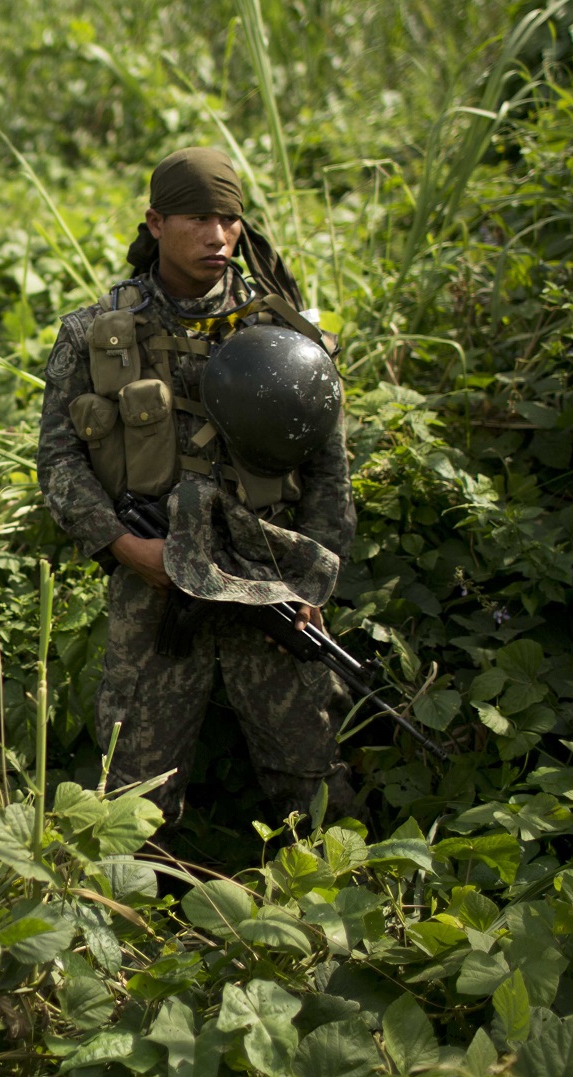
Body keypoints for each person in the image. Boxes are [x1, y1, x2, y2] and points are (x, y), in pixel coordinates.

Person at [36, 146, 359, 823]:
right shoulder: (95, 334)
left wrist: (312, 580)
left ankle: (337, 909)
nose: (218, 236)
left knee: (313, 777)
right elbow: (59, 465)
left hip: (268, 579)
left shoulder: (283, 332)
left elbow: (328, 467)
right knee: (130, 798)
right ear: (155, 222)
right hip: (152, 587)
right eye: (199, 218)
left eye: (230, 219)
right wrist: (128, 548)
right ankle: (128, 914)